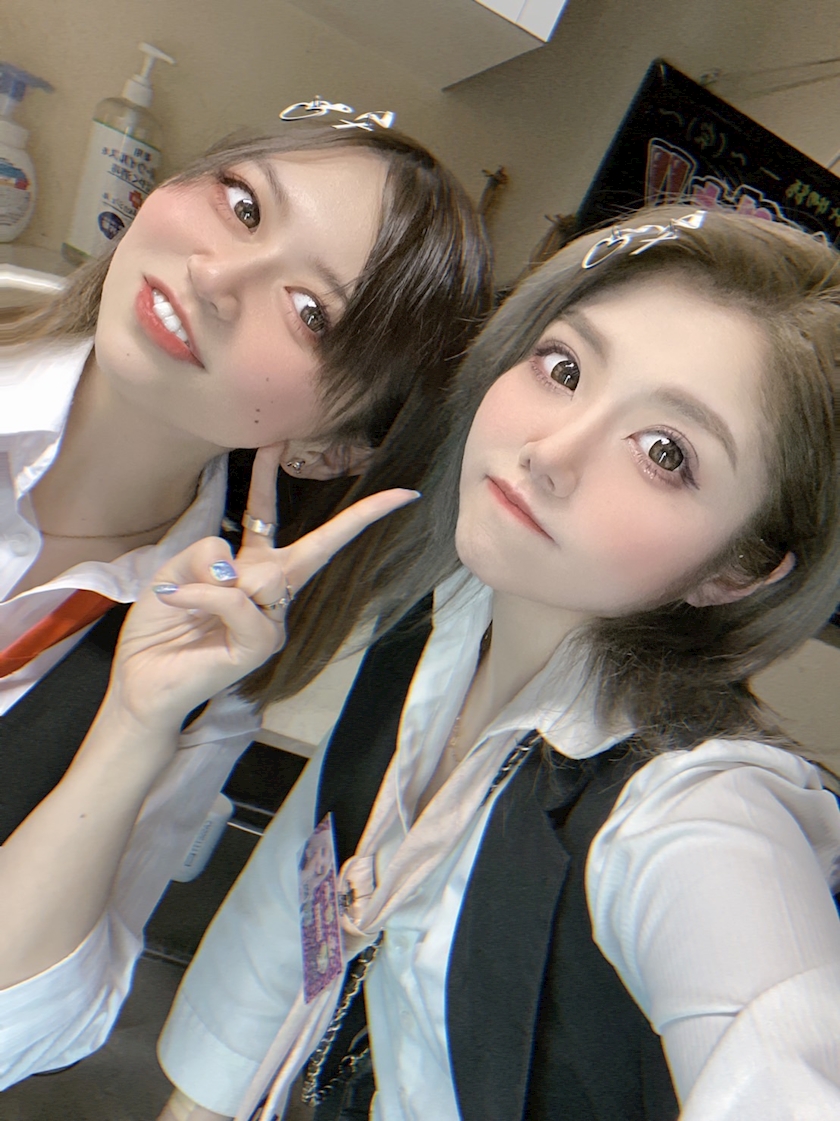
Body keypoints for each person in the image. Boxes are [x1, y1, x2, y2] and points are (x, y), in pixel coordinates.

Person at [98, 204, 840, 1119]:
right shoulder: (441, 615)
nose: (550, 452)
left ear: (735, 572)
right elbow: (301, 898)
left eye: (664, 453)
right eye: (564, 368)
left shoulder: (699, 813)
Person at [0, 107, 492, 1090]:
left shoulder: (203, 679)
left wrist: (136, 720)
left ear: (331, 446)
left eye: (311, 311)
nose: (218, 277)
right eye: (243, 205)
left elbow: (22, 1031)